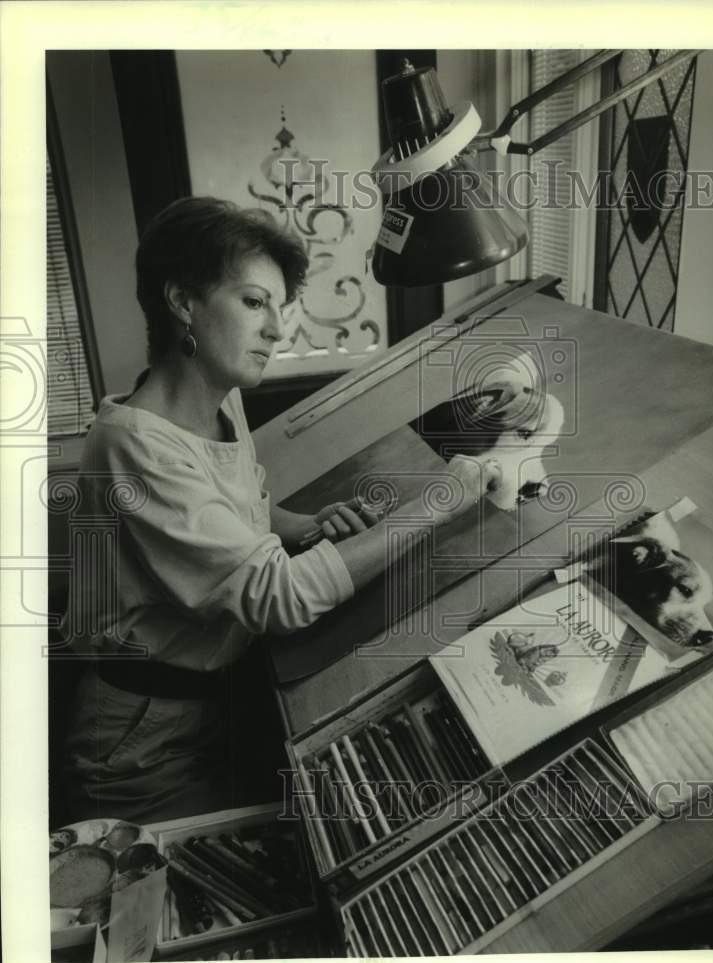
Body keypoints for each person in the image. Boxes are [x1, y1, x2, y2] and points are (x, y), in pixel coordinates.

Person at [58, 196, 500, 825]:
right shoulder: (134, 443)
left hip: (209, 701)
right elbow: (280, 599)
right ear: (183, 301)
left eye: (277, 308)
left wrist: (306, 526)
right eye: (253, 302)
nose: (276, 329)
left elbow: (242, 512)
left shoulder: (219, 399)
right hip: (140, 743)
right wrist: (439, 504)